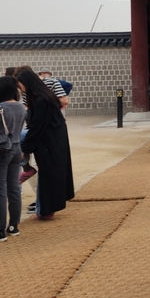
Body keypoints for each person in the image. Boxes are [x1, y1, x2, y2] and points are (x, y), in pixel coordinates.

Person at [16, 70, 75, 220]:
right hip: (52, 138)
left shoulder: (42, 100)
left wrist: (25, 150)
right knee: (49, 174)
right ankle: (45, 208)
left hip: (49, 140)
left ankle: (46, 210)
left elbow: (37, 128)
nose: (19, 86)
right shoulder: (41, 96)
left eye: (20, 83)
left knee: (48, 175)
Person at [0, 76, 26, 241]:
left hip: (3, 150)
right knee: (14, 188)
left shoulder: (1, 107)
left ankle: (0, 230)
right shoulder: (21, 107)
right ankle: (13, 225)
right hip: (17, 148)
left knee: (1, 190)